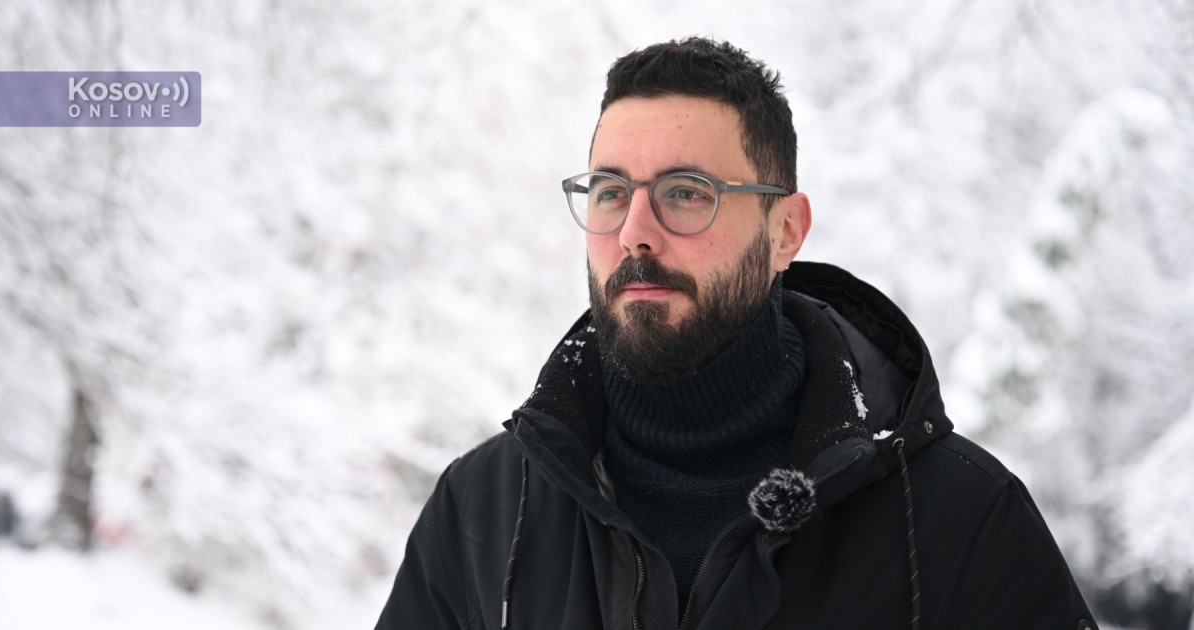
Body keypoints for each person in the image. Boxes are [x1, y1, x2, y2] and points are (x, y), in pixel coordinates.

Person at [376, 37, 1098, 629]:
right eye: (610, 192)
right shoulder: (486, 511)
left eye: (686, 194)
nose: (634, 232)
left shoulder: (953, 522)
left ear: (785, 231)